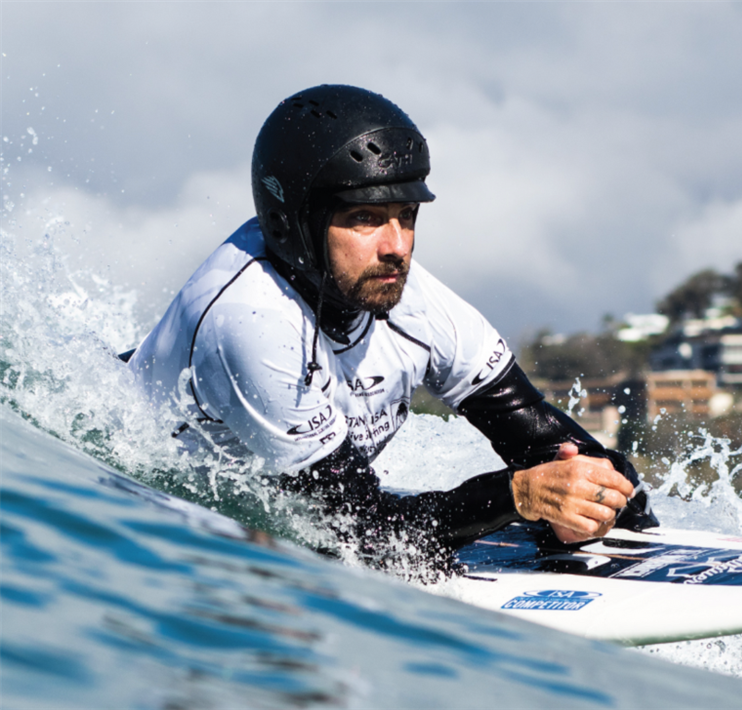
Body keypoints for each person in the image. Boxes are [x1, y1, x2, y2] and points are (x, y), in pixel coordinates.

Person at [125, 85, 657, 561]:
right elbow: (363, 533)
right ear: (293, 225)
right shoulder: (249, 324)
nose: (397, 247)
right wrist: (518, 497)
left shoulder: (410, 297)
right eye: (365, 219)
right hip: (154, 514)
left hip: (302, 492)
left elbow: (541, 439)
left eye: (406, 216)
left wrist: (593, 497)